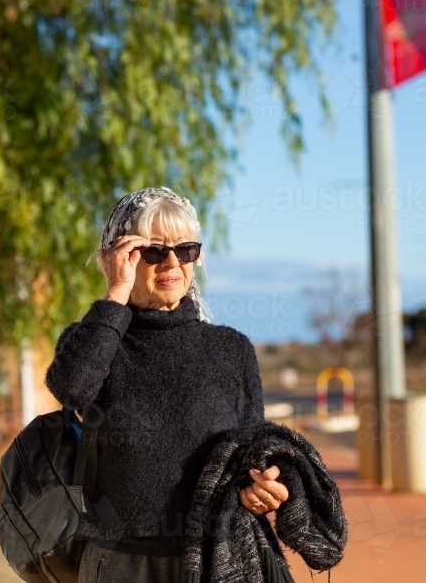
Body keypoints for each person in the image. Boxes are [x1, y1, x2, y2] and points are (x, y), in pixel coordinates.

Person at [45, 186, 289, 583]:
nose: (172, 262)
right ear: (120, 257)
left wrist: (262, 489)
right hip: (121, 564)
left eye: (186, 249)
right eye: (153, 250)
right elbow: (72, 388)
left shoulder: (231, 349)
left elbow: (252, 452)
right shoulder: (98, 339)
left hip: (217, 560)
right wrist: (116, 294)